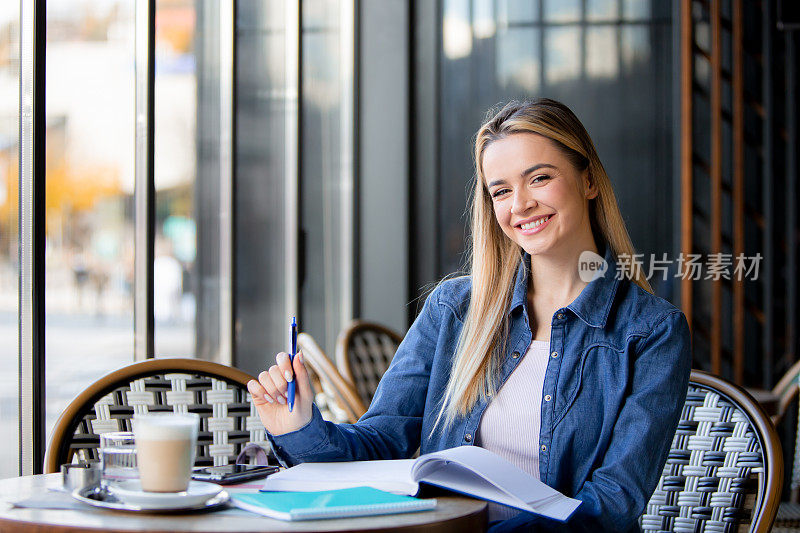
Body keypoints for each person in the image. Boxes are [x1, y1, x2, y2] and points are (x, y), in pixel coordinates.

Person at [247, 99, 692, 532]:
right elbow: (379, 447)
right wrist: (300, 429)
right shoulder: (453, 310)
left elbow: (611, 504)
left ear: (588, 180)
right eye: (501, 190)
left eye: (539, 178)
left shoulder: (651, 331)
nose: (519, 204)